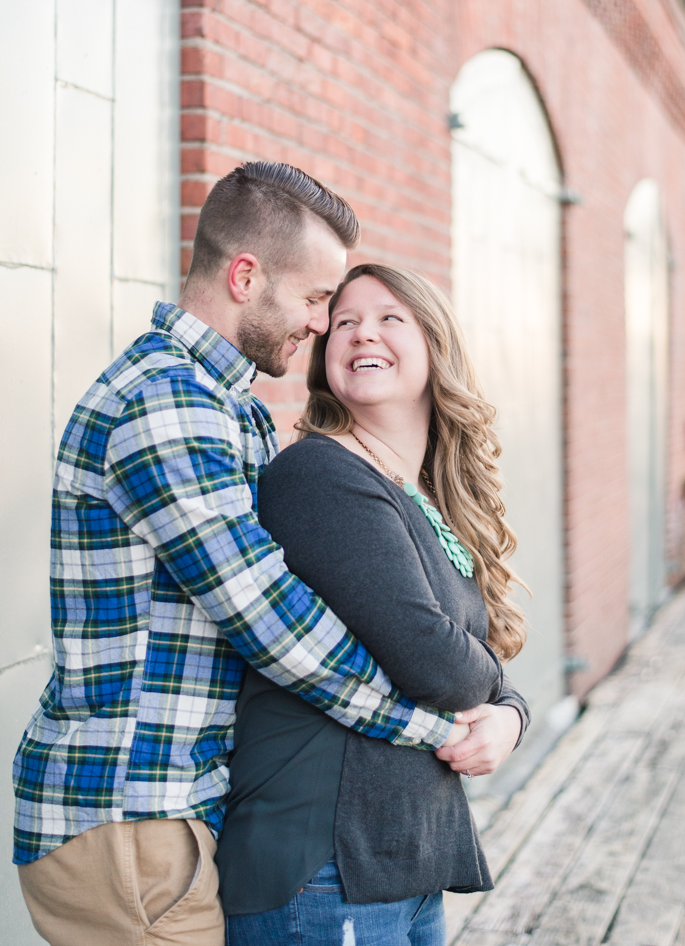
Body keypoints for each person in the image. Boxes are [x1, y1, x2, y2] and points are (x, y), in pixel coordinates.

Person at [12, 164, 481, 946]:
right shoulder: (165, 402)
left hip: (177, 812)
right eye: (314, 298)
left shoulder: (234, 411)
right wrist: (431, 725)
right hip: (129, 812)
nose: (324, 323)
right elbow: (273, 622)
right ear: (243, 276)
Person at [218, 262, 530, 946]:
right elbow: (436, 665)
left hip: (401, 861)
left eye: (391, 318)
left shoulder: (418, 490)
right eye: (345, 321)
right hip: (322, 865)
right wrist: (496, 693)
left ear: (435, 343)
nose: (364, 334)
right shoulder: (320, 476)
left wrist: (510, 715)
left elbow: (469, 652)